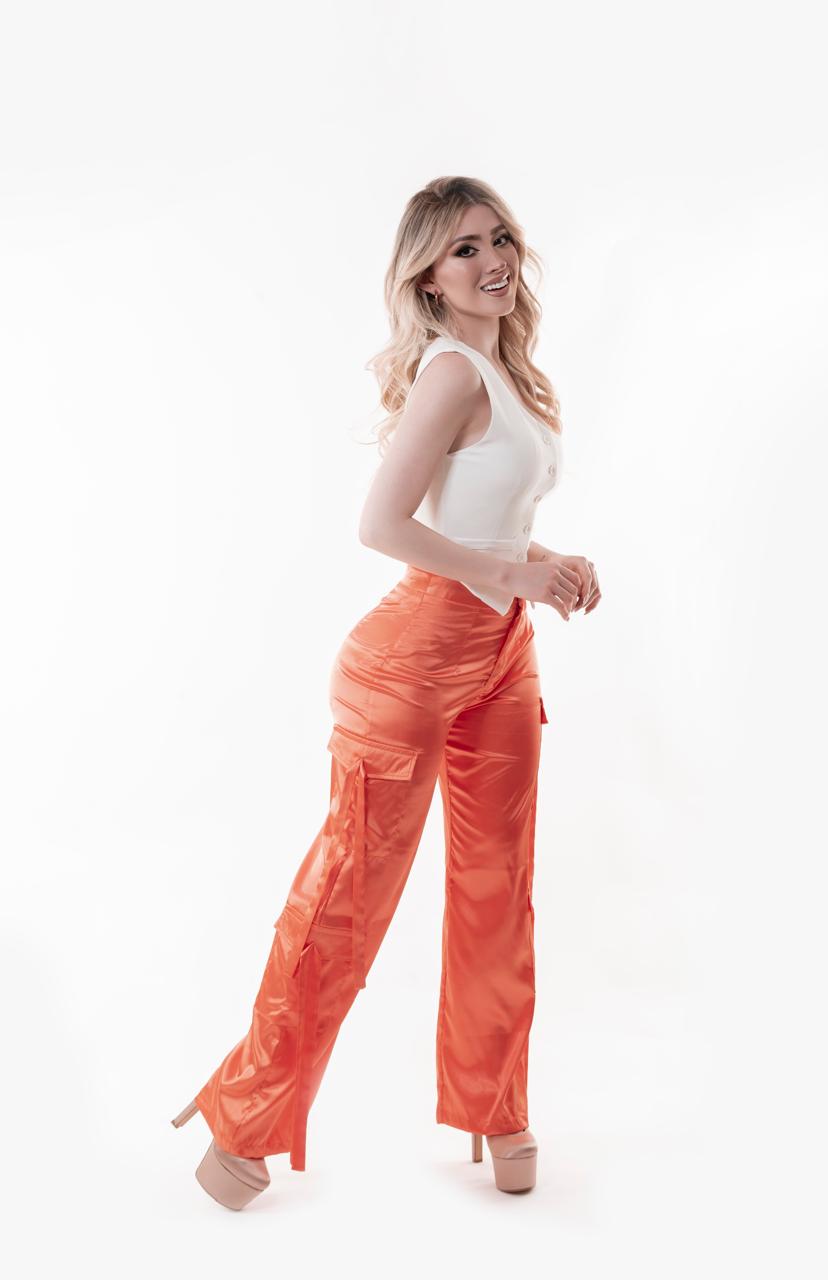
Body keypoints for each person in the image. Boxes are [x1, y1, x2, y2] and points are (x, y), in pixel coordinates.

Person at [171, 176, 601, 1209]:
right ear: (427, 276)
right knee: (349, 898)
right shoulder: (450, 371)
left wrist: (546, 564)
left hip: (501, 652)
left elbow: (482, 524)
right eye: (464, 249)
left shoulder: (503, 372)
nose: (491, 260)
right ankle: (243, 1125)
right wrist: (513, 575)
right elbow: (382, 525)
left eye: (499, 239)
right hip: (411, 660)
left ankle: (497, 1107)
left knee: (498, 885)